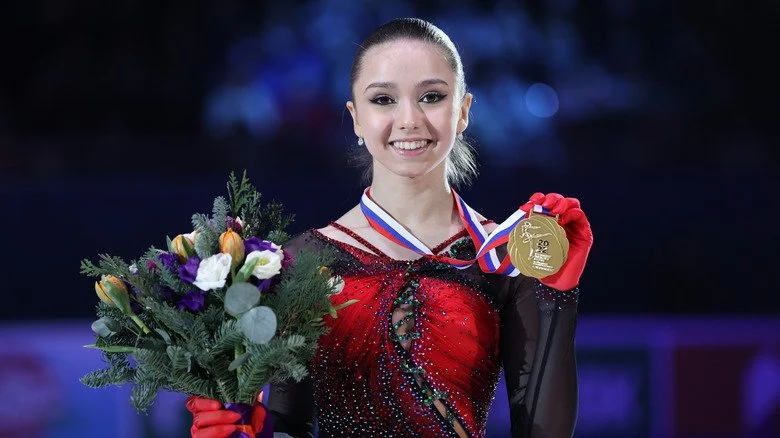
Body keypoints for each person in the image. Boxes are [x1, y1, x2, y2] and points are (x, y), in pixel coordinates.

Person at [186, 17, 592, 438]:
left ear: (463, 112)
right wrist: (248, 430)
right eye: (383, 99)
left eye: (431, 96)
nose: (409, 119)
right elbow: (292, 423)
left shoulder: (501, 256)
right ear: (356, 118)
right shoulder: (305, 259)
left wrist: (557, 295)